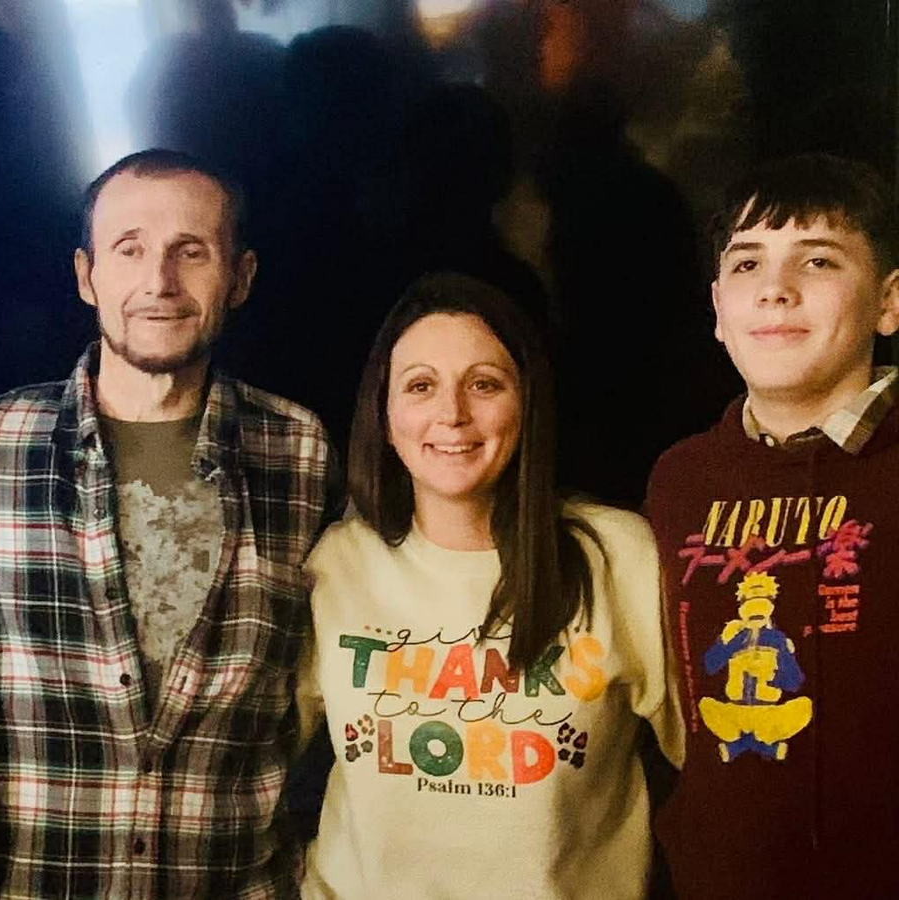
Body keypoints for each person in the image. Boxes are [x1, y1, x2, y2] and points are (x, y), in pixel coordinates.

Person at [0, 149, 341, 898]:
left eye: (191, 252)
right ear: (86, 275)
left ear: (241, 278)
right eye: (129, 249)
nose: (159, 281)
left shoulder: (299, 449)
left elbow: (323, 690)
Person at [297, 272, 683, 900]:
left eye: (484, 384)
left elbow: (729, 768)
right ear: (385, 417)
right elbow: (247, 764)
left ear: (525, 405)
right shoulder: (338, 563)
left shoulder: (617, 554)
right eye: (420, 386)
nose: (452, 414)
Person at [645, 153, 899, 899]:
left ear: (889, 302)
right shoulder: (680, 480)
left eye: (817, 260)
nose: (775, 289)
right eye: (747, 263)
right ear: (718, 309)